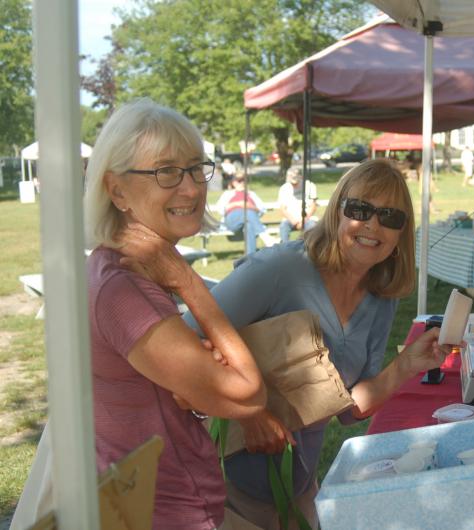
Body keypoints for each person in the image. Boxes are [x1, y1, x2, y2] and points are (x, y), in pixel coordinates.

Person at [184, 158, 451, 529]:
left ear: (401, 233)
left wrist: (407, 366)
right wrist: (249, 411)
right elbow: (185, 342)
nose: (373, 224)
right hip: (223, 491)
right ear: (337, 211)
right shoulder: (279, 270)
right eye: (359, 209)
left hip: (298, 492)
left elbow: (349, 408)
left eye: (390, 217)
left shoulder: (381, 296)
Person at [83, 99, 292, 529]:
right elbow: (247, 394)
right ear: (116, 190)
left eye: (197, 168)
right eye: (166, 171)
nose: (193, 188)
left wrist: (196, 374)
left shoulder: (123, 270)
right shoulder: (124, 289)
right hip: (165, 511)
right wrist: (188, 281)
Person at [214, 173, 270, 254]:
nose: (241, 183)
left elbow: (261, 211)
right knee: (247, 213)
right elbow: (220, 210)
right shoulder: (228, 194)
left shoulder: (252, 194)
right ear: (233, 182)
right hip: (232, 220)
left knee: (249, 226)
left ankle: (250, 257)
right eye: (239, 181)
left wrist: (250, 206)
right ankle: (266, 238)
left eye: (243, 180)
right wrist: (239, 204)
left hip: (249, 220)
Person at [277, 167, 317, 243]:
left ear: (301, 177)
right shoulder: (284, 188)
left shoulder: (310, 186)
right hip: (290, 219)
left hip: (307, 218)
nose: (294, 183)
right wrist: (293, 220)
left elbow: (313, 206)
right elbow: (283, 209)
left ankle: (309, 248)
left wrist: (303, 219)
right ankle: (285, 249)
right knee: (283, 227)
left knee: (312, 226)